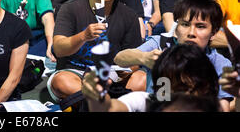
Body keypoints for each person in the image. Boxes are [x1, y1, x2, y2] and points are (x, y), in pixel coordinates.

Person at [48, 0, 143, 103]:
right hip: (76, 73)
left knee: (141, 79)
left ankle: (99, 100)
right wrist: (83, 36)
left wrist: (113, 76)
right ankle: (108, 102)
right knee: (61, 81)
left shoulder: (129, 15)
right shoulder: (70, 8)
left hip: (112, 75)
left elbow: (135, 61)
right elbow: (59, 49)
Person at [114, 0, 233, 111]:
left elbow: (223, 107)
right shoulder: (161, 44)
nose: (191, 32)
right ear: (176, 26)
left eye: (200, 26)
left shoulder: (220, 64)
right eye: (185, 24)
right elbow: (119, 59)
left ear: (213, 32)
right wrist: (143, 57)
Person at [83, 44, 224, 112]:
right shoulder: (148, 102)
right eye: (172, 89)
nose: (178, 98)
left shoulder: (214, 108)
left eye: (186, 88)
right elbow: (110, 109)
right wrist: (97, 97)